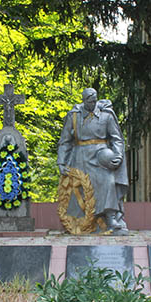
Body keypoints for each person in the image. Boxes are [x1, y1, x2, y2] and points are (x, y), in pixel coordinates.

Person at [57, 88, 129, 234]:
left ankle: (110, 217)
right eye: (89, 101)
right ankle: (78, 222)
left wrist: (118, 155)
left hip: (102, 155)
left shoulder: (106, 115)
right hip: (80, 155)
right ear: (83, 100)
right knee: (79, 188)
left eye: (94, 100)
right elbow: (65, 140)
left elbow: (117, 138)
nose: (93, 103)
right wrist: (61, 162)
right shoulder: (74, 116)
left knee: (108, 182)